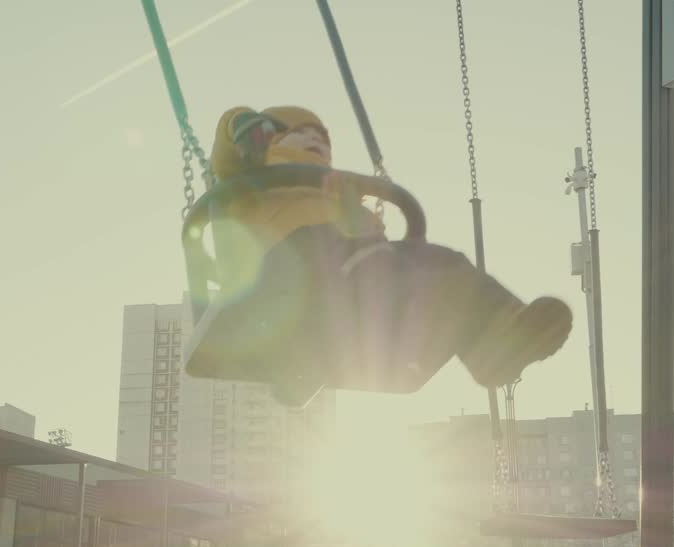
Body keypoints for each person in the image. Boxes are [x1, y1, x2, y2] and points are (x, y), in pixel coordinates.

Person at [208, 105, 572, 389]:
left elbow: (374, 244)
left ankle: (499, 342)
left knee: (446, 265)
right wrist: (245, 127)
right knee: (344, 247)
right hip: (282, 279)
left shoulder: (338, 193)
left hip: (356, 285)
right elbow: (225, 155)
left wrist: (357, 216)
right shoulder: (249, 186)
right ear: (271, 139)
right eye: (300, 133)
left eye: (322, 136)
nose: (316, 139)